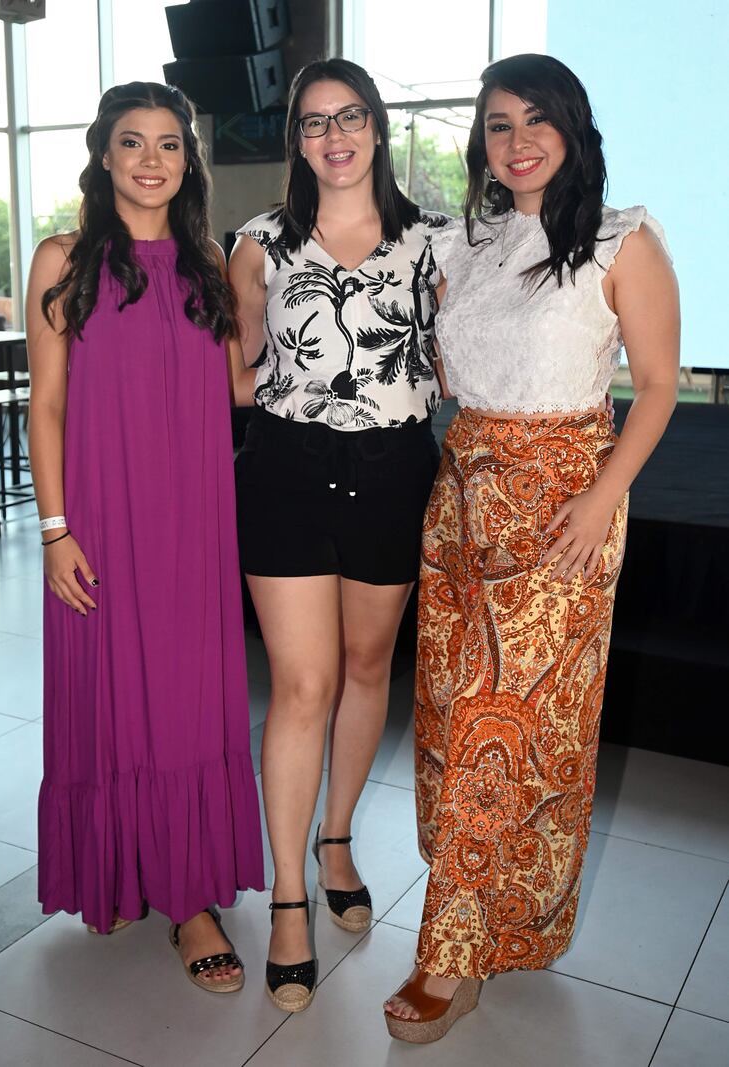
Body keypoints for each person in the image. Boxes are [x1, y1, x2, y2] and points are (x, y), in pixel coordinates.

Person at [383, 53, 680, 1042]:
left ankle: (449, 953)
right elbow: (435, 364)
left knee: (498, 722)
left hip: (563, 509)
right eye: (498, 124)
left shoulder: (622, 239)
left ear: (572, 128)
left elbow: (658, 385)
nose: (517, 141)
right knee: (450, 714)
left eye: (536, 119)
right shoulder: (461, 242)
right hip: (462, 497)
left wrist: (601, 498)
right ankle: (509, 917)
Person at [26, 81, 263, 995]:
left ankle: (190, 898)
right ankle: (118, 864)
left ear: (188, 160)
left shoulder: (209, 260)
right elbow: (48, 406)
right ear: (104, 154)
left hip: (192, 520)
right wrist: (55, 529)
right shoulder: (63, 258)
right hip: (97, 516)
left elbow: (240, 383)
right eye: (133, 142)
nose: (153, 160)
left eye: (170, 143)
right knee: (107, 695)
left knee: (184, 699)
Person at [228, 57, 449, 1012]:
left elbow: (456, 359)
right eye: (315, 122)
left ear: (378, 126)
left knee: (366, 667)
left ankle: (337, 839)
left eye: (350, 116)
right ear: (298, 141)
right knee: (302, 683)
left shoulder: (435, 240)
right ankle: (289, 897)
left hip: (394, 471)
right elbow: (236, 374)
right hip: (285, 469)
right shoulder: (258, 243)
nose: (335, 135)